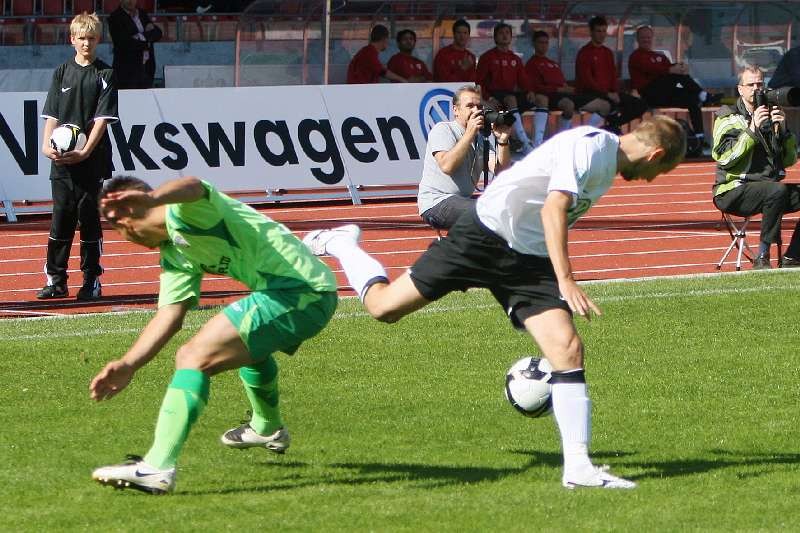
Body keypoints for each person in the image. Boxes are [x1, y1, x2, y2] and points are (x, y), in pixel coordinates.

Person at [304, 115, 686, 490]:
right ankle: (342, 243)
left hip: (528, 261)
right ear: (655, 155)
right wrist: (567, 279)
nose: (653, 179)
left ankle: (578, 467)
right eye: (662, 171)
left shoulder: (606, 164)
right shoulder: (591, 147)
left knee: (567, 349)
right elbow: (552, 208)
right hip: (482, 238)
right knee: (383, 308)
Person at [89, 176, 338, 494]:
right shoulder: (174, 252)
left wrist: (153, 199)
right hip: (298, 293)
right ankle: (267, 427)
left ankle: (157, 466)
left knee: (193, 356)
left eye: (116, 229)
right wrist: (129, 364)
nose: (124, 238)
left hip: (299, 291)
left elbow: (193, 186)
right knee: (246, 346)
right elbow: (170, 315)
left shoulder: (185, 211)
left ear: (124, 219)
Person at [37, 12, 118, 301]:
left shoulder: (105, 74)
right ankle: (56, 280)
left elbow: (102, 120)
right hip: (61, 161)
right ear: (72, 39)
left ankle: (91, 280)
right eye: (81, 38)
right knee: (61, 219)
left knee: (89, 220)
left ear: (99, 40)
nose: (86, 43)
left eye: (91, 38)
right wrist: (46, 146)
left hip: (91, 161)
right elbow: (52, 115)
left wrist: (85, 151)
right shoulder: (61, 72)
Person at [712, 65, 800, 269]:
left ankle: (793, 256)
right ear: (740, 89)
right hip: (732, 189)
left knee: (775, 190)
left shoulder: (770, 114)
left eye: (760, 84)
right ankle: (762, 257)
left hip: (767, 188)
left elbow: (788, 161)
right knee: (776, 190)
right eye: (750, 85)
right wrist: (752, 130)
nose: (756, 89)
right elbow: (724, 158)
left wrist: (784, 132)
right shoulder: (728, 117)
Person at [418, 85, 512, 230]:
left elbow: (501, 172)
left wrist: (503, 141)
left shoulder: (481, 139)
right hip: (436, 202)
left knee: (506, 208)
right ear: (455, 110)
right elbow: (447, 166)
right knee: (485, 212)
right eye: (470, 106)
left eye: (479, 106)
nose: (476, 111)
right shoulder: (443, 129)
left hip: (462, 201)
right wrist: (469, 133)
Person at [628, 25, 720, 156]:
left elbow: (667, 67)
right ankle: (704, 95)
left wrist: (679, 67)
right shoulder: (636, 56)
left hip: (666, 93)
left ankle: (699, 138)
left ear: (652, 38)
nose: (646, 40)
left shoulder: (658, 56)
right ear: (637, 39)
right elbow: (653, 69)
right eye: (643, 37)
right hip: (651, 94)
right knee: (677, 74)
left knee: (693, 100)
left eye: (648, 37)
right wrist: (673, 69)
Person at [524, 30, 611, 134]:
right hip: (551, 96)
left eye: (546, 42)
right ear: (534, 44)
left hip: (568, 94)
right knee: (568, 105)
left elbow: (562, 82)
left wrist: (569, 88)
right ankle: (561, 138)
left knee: (604, 106)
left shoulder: (553, 63)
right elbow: (536, 87)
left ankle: (585, 133)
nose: (544, 45)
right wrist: (558, 89)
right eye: (540, 42)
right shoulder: (531, 64)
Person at [575, 16, 647, 132]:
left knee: (640, 104)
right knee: (610, 105)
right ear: (591, 32)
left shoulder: (607, 52)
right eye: (598, 31)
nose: (602, 34)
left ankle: (613, 125)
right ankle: (601, 130)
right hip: (591, 94)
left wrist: (614, 92)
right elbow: (587, 80)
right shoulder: (584, 53)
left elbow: (613, 75)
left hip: (610, 93)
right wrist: (607, 94)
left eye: (604, 31)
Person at [476, 23, 540, 151]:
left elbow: (523, 80)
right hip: (494, 96)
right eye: (501, 33)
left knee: (540, 99)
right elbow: (479, 82)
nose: (504, 35)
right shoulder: (487, 57)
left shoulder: (515, 58)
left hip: (510, 97)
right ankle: (525, 142)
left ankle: (538, 141)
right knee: (511, 99)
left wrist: (529, 91)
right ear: (495, 37)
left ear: (511, 37)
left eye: (507, 33)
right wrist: (488, 98)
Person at [108, 0, 163, 89]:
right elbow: (124, 43)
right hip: (127, 71)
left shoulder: (142, 13)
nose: (131, 1)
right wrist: (147, 39)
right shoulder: (115, 17)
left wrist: (140, 36)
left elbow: (158, 33)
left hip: (147, 68)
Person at [433, 19, 477, 83]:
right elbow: (444, 80)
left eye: (465, 33)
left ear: (468, 35)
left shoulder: (471, 56)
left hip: (466, 89)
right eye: (459, 32)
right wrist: (462, 69)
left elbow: (472, 81)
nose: (462, 36)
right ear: (454, 34)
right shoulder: (443, 54)